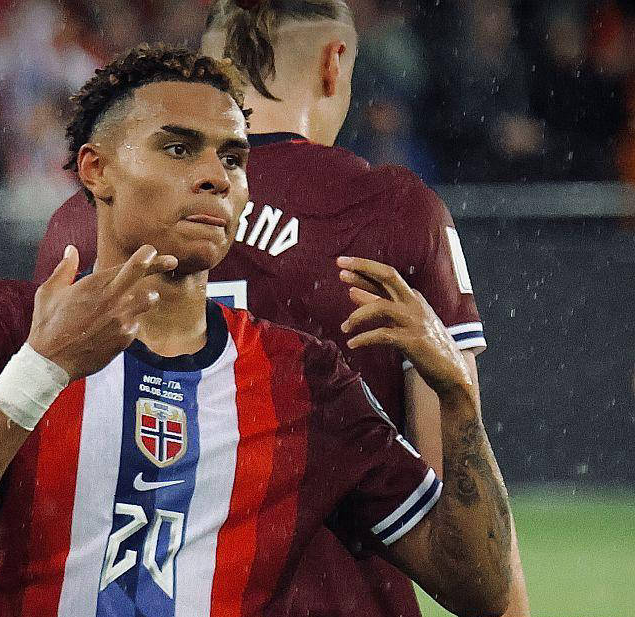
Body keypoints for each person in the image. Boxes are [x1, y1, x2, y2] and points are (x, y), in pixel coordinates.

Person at [0, 45, 513, 616]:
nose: (214, 176)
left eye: (233, 157)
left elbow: (477, 587)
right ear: (96, 169)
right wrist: (43, 367)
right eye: (178, 147)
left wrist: (458, 401)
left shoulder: (303, 377)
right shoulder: (1, 327)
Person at [32, 2, 530, 616]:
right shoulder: (393, 213)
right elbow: (459, 499)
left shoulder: (82, 221)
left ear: (205, 67)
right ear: (333, 62)